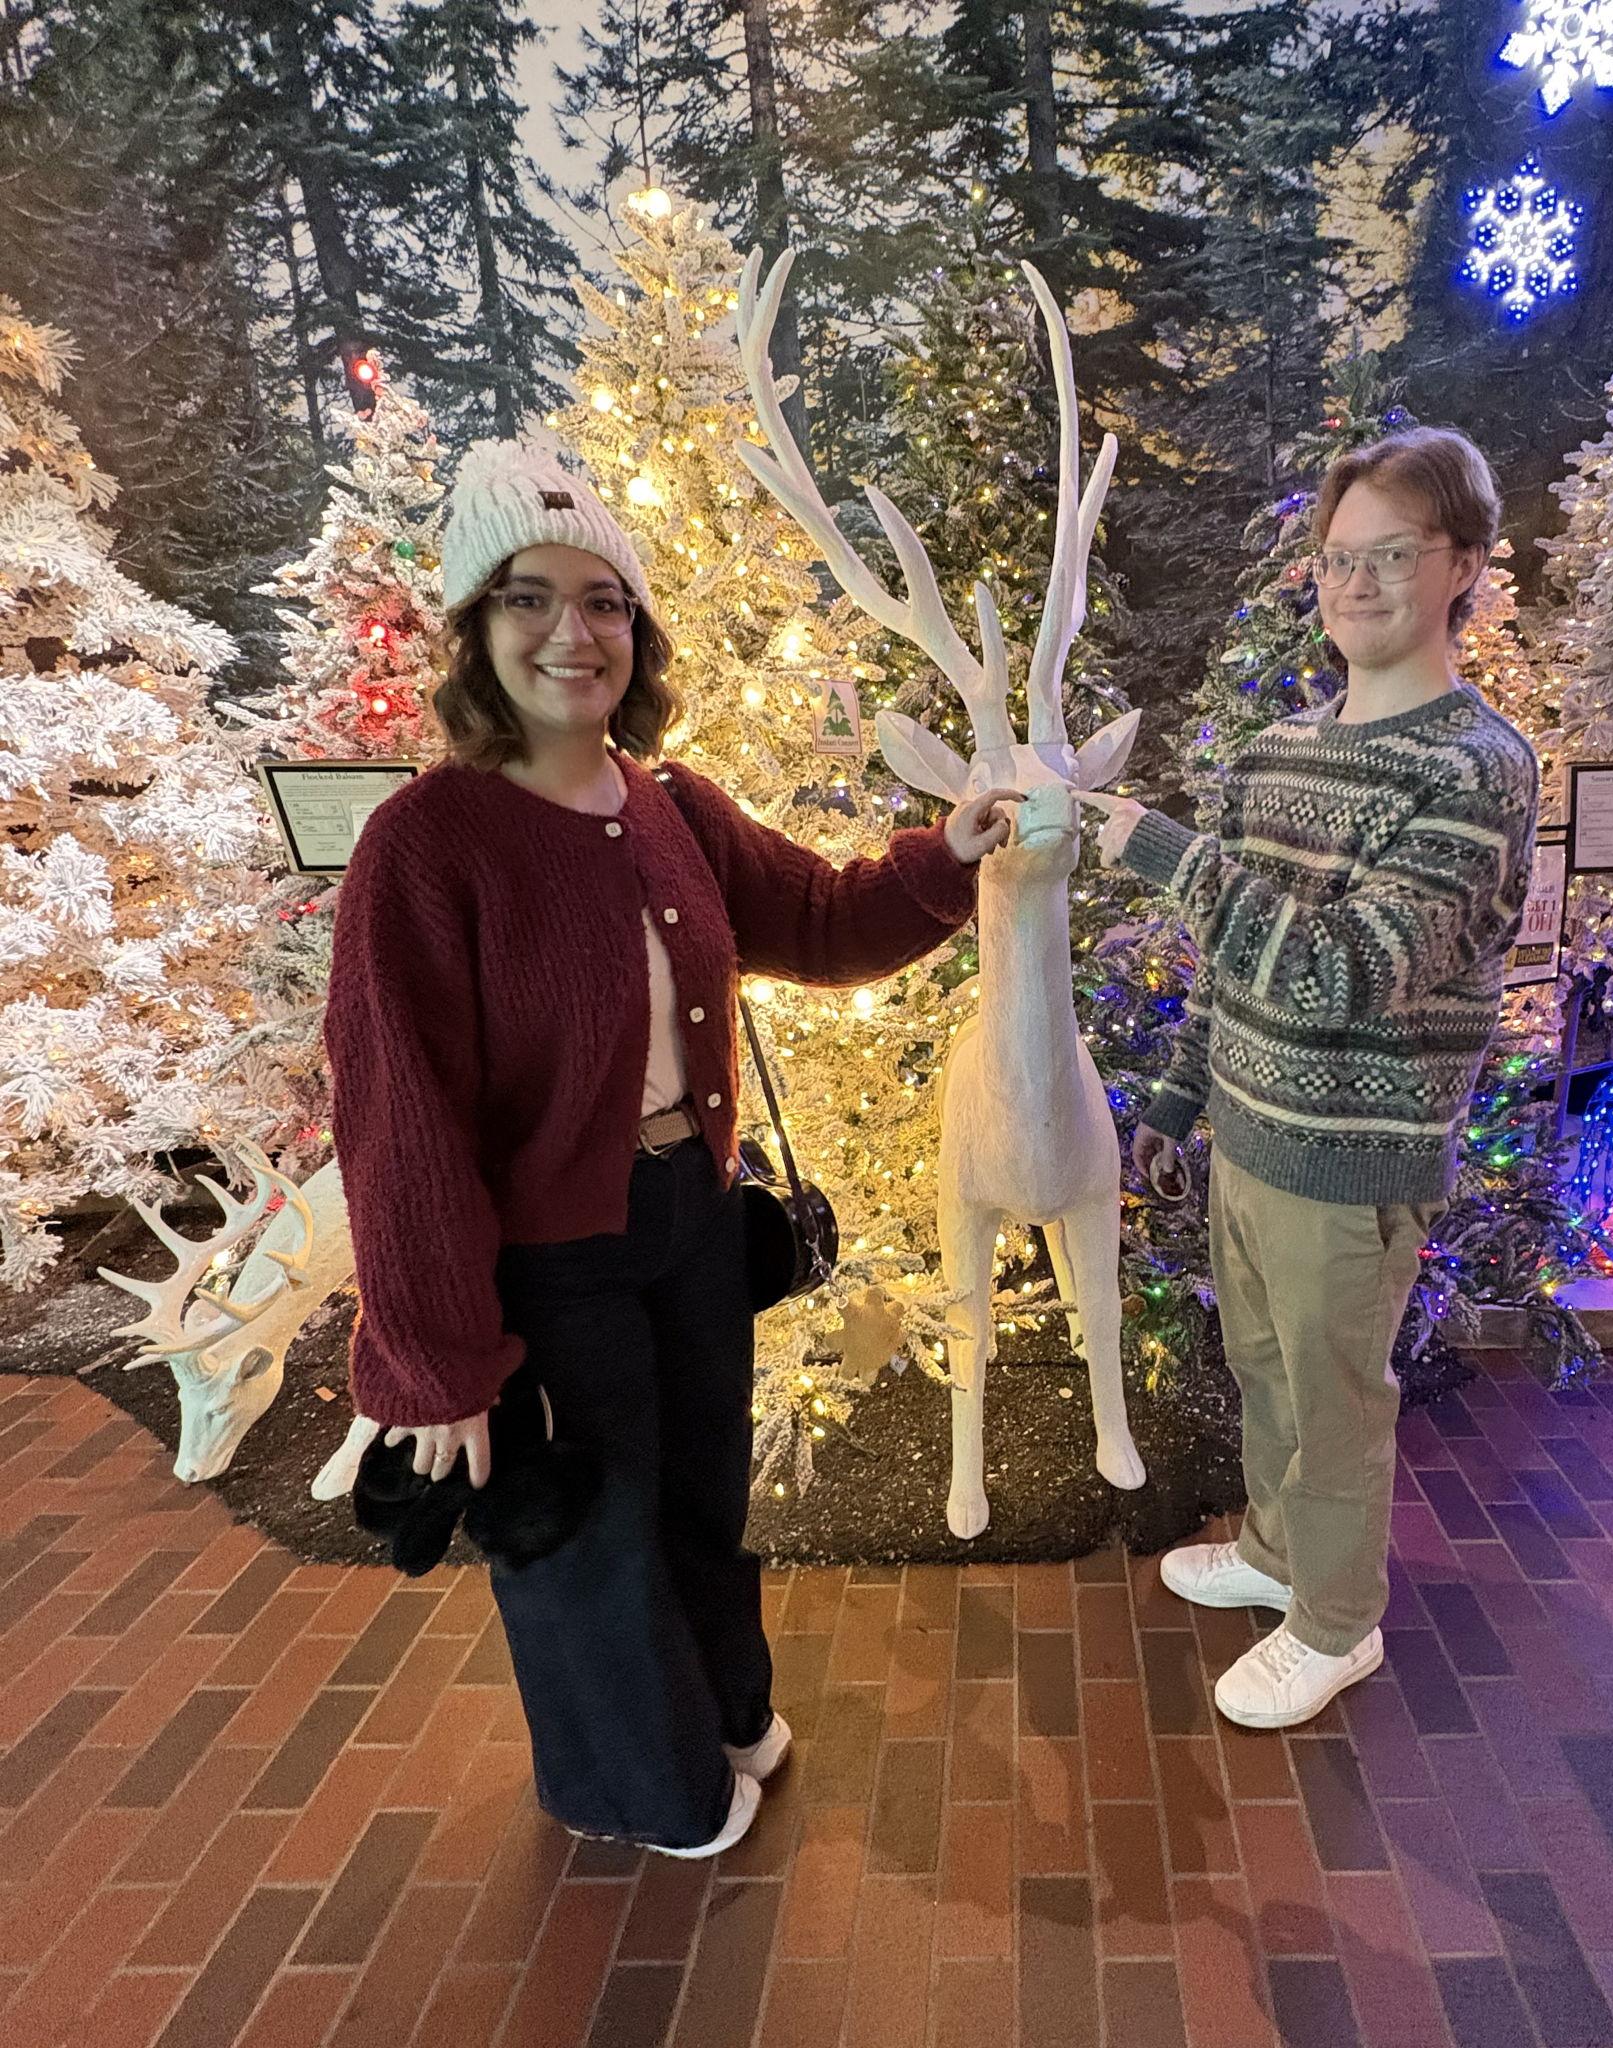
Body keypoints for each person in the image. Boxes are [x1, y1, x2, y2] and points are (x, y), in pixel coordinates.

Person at [325, 439, 1017, 1856]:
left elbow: (817, 920)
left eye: (603, 602)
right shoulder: (425, 845)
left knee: (702, 1492)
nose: (571, 633)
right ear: (475, 625)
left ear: (635, 630)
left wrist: (942, 856)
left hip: (691, 1222)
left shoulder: (670, 807)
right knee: (589, 1531)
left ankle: (724, 1709)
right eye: (528, 597)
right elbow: (398, 1117)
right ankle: (648, 1789)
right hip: (550, 1264)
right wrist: (438, 1356)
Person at [1082, 427, 1538, 1731]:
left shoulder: (1476, 769)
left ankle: (1338, 1624)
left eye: (1393, 554)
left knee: (1334, 1401)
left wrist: (1167, 854)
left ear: (1463, 564)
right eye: (1340, 558)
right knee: (1269, 1370)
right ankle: (1281, 1556)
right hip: (1250, 1138)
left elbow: (1341, 973)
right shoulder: (1281, 750)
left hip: (1352, 1160)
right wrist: (1182, 1098)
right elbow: (1236, 967)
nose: (1358, 583)